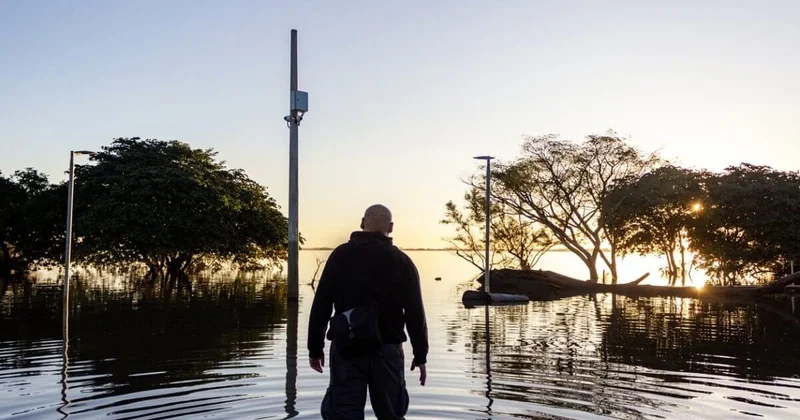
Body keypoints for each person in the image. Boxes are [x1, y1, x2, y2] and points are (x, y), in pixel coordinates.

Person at [307, 204, 429, 420]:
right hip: (387, 349)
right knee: (391, 414)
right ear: (390, 227)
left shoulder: (340, 256)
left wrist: (315, 348)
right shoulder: (402, 261)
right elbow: (415, 313)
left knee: (342, 414)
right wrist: (420, 354)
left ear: (362, 223)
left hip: (347, 347)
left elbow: (322, 304)